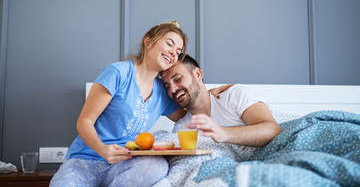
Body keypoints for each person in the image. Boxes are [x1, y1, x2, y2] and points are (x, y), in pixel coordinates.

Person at [50, 21, 189, 187]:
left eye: (178, 52)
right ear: (148, 41)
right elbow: (84, 121)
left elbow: (189, 118)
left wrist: (207, 94)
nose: (173, 53)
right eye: (169, 44)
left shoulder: (162, 93)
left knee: (157, 167)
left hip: (124, 165)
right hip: (85, 161)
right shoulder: (118, 73)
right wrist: (102, 149)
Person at [162, 54, 282, 147]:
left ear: (198, 74)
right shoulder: (181, 128)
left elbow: (273, 130)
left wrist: (223, 133)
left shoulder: (233, 95)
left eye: (177, 79)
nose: (172, 89)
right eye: (167, 86)